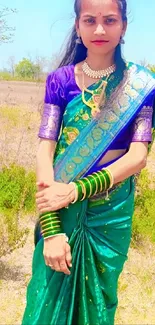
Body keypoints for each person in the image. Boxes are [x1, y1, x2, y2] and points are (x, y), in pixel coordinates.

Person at [22, 0, 155, 324]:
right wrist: (51, 231)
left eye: (110, 20)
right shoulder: (60, 81)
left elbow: (137, 157)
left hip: (108, 216)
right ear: (78, 25)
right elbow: (45, 152)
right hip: (60, 212)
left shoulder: (141, 85)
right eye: (89, 20)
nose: (99, 29)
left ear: (123, 26)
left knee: (98, 303)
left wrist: (73, 191)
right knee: (46, 302)